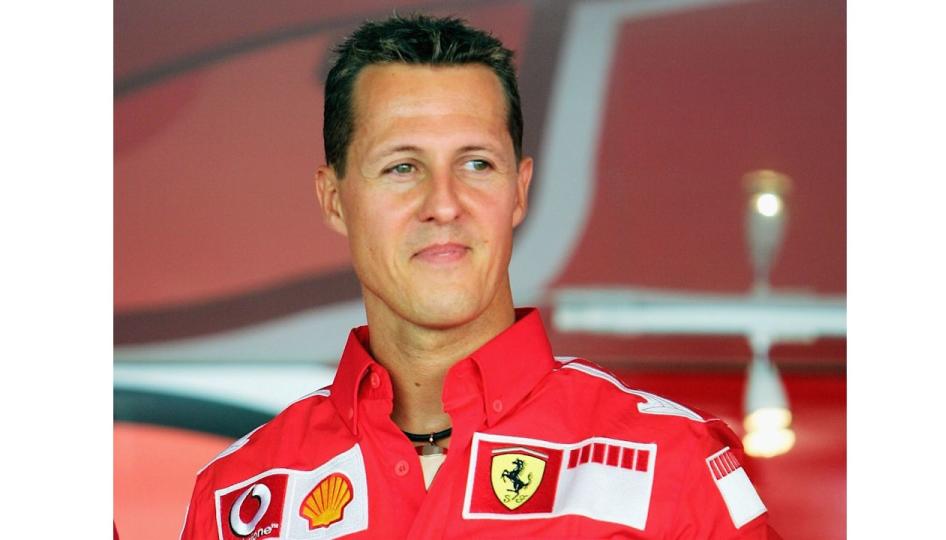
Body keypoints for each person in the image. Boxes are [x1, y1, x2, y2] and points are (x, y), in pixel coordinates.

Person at [180, 14, 780, 539]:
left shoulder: (671, 462)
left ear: (518, 191)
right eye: (401, 166)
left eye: (476, 163)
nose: (443, 203)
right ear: (334, 199)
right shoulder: (241, 495)